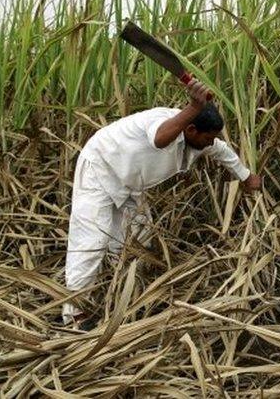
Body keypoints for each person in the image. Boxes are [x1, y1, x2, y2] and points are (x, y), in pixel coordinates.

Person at [62, 79, 262, 327]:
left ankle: (123, 296)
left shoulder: (200, 139)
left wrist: (246, 177)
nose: (211, 143)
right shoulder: (159, 122)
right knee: (91, 242)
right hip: (100, 169)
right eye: (208, 138)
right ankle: (74, 315)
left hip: (131, 183)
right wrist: (193, 107)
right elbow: (159, 139)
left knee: (138, 240)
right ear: (190, 130)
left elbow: (222, 151)